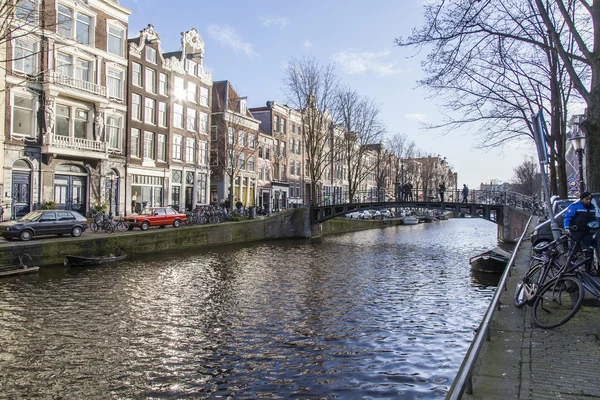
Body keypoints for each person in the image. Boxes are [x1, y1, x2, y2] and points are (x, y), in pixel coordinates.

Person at [564, 191, 597, 266]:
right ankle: (570, 268)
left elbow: (594, 219)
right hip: (576, 232)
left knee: (588, 250)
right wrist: (567, 227)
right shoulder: (575, 206)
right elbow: (567, 217)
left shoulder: (592, 207)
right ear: (582, 199)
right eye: (587, 199)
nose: (589, 200)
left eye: (590, 199)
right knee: (573, 250)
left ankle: (588, 268)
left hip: (587, 232)